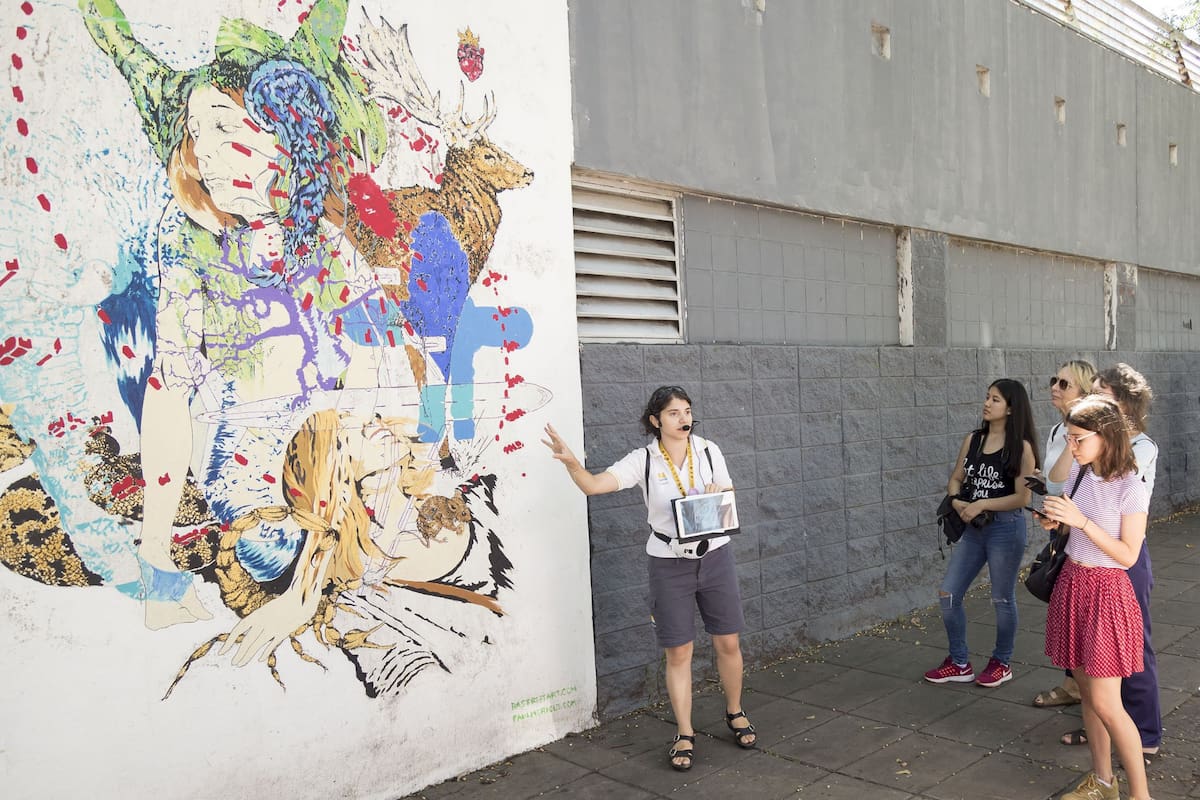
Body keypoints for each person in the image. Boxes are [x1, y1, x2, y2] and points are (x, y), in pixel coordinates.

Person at [542, 386, 756, 771]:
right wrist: (573, 463)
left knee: (728, 641)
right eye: (673, 413)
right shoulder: (643, 460)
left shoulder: (708, 450)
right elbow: (594, 486)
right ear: (656, 421)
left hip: (716, 556)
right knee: (679, 651)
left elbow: (728, 490)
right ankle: (685, 732)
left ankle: (735, 711)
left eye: (687, 411)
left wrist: (718, 489)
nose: (684, 419)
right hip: (669, 562)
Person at [1039, 396, 1152, 800]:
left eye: (1078, 438)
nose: (1071, 446)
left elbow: (1127, 555)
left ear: (1106, 436)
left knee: (1108, 703)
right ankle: (1103, 783)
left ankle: (1141, 796)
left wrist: (1081, 521)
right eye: (1068, 437)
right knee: (1087, 693)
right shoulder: (1080, 475)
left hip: (1107, 592)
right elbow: (1076, 530)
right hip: (1074, 583)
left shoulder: (1130, 486)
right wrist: (1056, 522)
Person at [1054, 364, 1161, 764]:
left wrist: (1081, 519)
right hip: (1081, 571)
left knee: (1133, 651)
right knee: (1095, 676)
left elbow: (1126, 540)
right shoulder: (1082, 462)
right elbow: (1066, 482)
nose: (1089, 398)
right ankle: (1105, 740)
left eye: (1101, 394)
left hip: (1118, 568)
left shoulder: (1139, 454)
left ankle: (1144, 733)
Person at [924, 379, 1039, 688]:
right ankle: (959, 663)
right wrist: (958, 501)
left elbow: (1023, 498)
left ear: (1012, 408)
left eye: (996, 399)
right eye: (987, 398)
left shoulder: (1022, 448)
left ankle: (1002, 662)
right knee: (948, 594)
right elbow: (956, 478)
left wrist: (983, 503)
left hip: (1005, 529)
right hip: (973, 530)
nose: (987, 403)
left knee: (1002, 598)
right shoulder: (973, 440)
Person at [1031, 358, 1097, 708]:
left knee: (1084, 616)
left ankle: (1094, 696)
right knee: (1067, 612)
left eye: (1064, 384)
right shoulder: (1060, 430)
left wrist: (1053, 484)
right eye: (1053, 380)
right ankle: (1075, 686)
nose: (1054, 388)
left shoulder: (1086, 434)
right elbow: (1058, 481)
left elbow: (1073, 481)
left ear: (1085, 393)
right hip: (1061, 526)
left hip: (1085, 535)